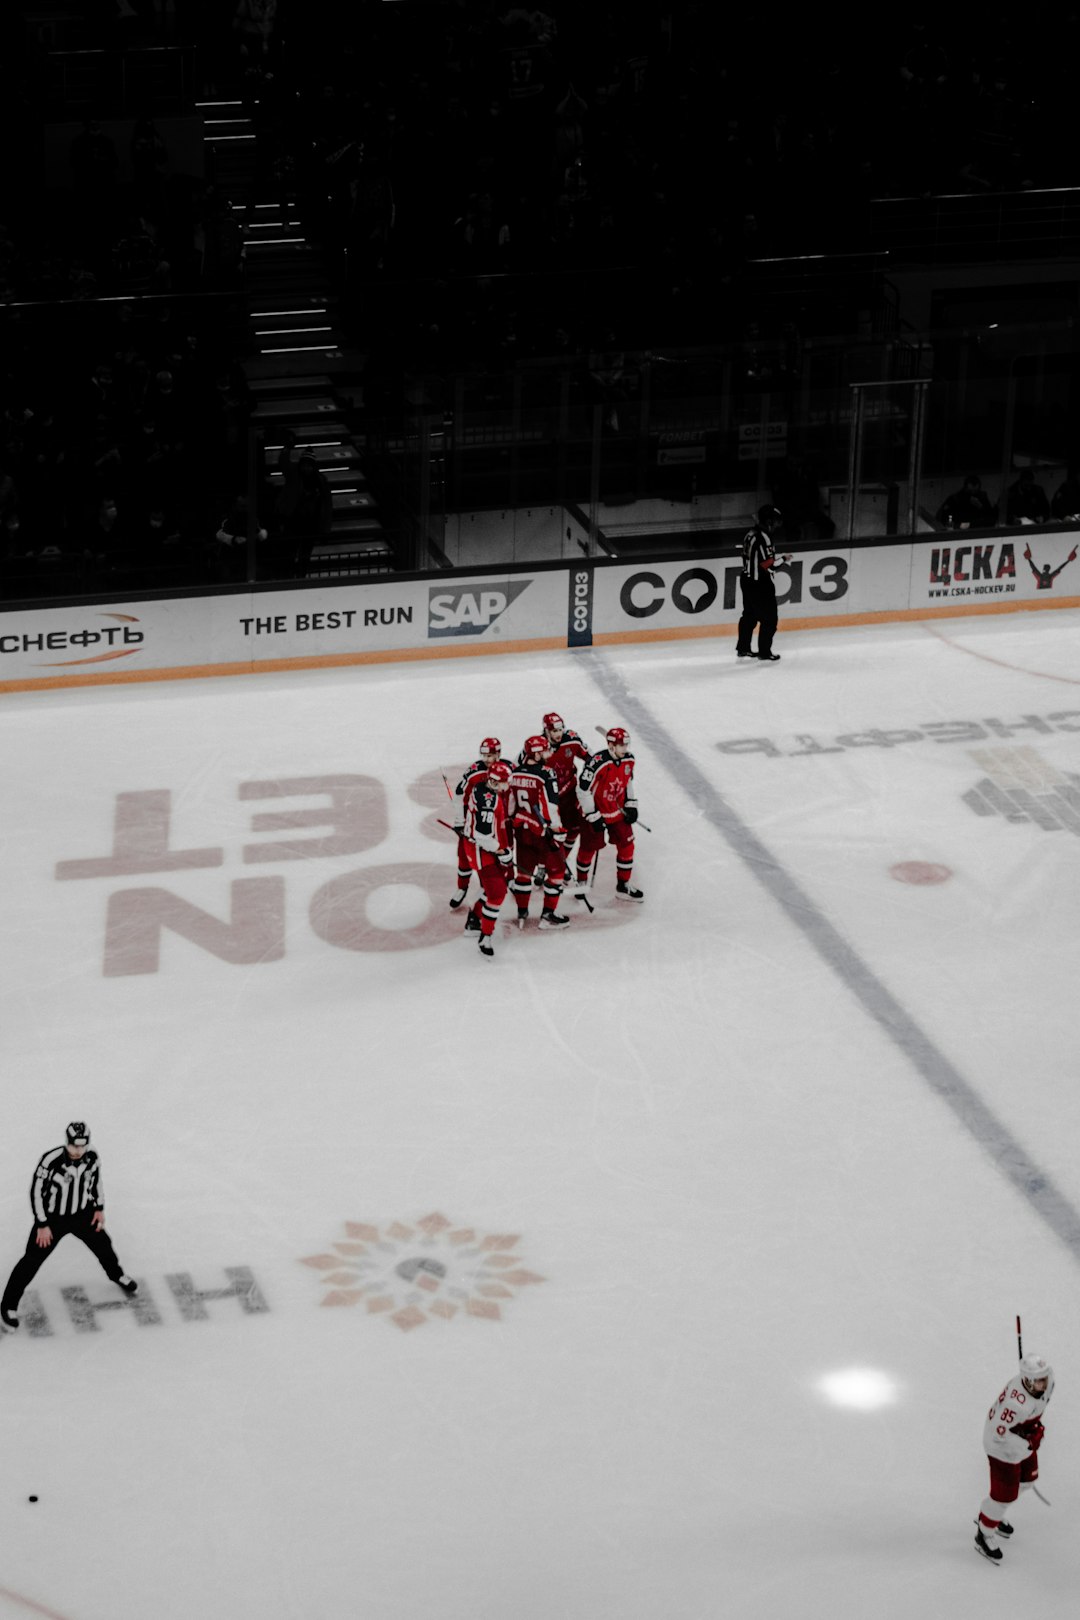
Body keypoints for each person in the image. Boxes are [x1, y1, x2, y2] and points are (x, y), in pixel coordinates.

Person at [1, 1123, 138, 1332]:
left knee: (103, 1244)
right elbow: (36, 1193)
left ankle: (116, 1274)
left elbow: (96, 1182)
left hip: (83, 1214)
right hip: (53, 1220)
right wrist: (42, 1224)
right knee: (31, 1260)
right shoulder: (51, 1161)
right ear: (67, 1143)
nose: (78, 1151)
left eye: (82, 1146)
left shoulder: (91, 1156)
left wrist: (99, 1207)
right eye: (74, 1146)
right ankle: (8, 1305)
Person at [974, 1353, 1054, 1563]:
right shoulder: (1015, 1404)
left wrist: (1029, 1434)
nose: (1044, 1383)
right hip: (1001, 1447)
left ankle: (992, 1511)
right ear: (1027, 1380)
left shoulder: (1047, 1381)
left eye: (1044, 1378)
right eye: (1039, 1380)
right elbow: (998, 1434)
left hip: (1021, 1437)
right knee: (1004, 1497)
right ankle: (984, 1531)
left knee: (1028, 1481)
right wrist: (1028, 1441)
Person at [508, 736, 571, 929]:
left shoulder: (515, 773)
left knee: (523, 874)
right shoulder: (546, 773)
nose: (549, 753)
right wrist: (557, 830)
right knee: (557, 872)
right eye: (545, 750)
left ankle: (522, 912)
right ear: (536, 753)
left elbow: (510, 807)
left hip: (521, 830)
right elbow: (551, 806)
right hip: (543, 832)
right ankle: (547, 916)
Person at [574, 726, 643, 901]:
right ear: (611, 746)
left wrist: (631, 804)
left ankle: (623, 885)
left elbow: (627, 783)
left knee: (627, 845)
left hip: (616, 810)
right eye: (621, 745)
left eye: (626, 745)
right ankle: (581, 883)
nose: (625, 749)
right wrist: (593, 815)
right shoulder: (597, 763)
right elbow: (582, 790)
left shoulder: (629, 760)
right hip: (594, 811)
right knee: (588, 849)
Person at [463, 760, 514, 958]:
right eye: (505, 781)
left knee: (492, 887)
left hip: (485, 848)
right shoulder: (489, 801)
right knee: (497, 893)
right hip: (481, 851)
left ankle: (474, 920)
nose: (508, 785)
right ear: (495, 781)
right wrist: (502, 852)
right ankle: (485, 936)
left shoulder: (483, 789)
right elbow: (483, 836)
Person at [449, 738, 506, 910]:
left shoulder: (505, 769)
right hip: (472, 821)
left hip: (498, 821)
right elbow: (459, 793)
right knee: (465, 858)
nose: (487, 759)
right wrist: (460, 822)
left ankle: (488, 887)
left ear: (499, 754)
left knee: (495, 857)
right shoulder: (475, 770)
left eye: (491, 755)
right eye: (485, 755)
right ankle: (462, 887)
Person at [735, 504, 792, 662]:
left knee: (749, 616)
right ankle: (764, 652)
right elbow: (769, 566)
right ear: (768, 521)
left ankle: (743, 648)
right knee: (770, 620)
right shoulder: (764, 538)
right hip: (760, 584)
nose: (776, 525)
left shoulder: (750, 534)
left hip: (746, 579)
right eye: (775, 522)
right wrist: (784, 559)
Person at [540, 712, 590, 864]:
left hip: (569, 792)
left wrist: (590, 778)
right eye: (554, 731)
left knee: (574, 829)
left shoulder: (572, 739)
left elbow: (591, 759)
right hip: (548, 799)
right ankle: (543, 866)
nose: (558, 734)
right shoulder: (538, 746)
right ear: (546, 731)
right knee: (549, 834)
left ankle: (561, 861)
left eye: (560, 729)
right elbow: (518, 767)